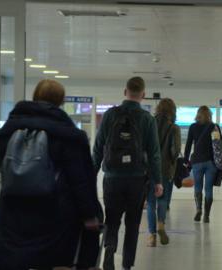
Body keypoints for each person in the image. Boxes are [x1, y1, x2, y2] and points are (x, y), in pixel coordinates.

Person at [0, 79, 103, 270]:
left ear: (35, 97)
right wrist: (90, 215)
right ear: (60, 102)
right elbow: (80, 182)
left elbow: (4, 169)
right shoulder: (70, 136)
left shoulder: (8, 132)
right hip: (55, 217)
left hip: (12, 214)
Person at [92, 77, 163, 270]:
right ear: (143, 95)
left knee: (112, 219)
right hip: (136, 179)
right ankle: (127, 264)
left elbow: (98, 148)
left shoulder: (109, 115)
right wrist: (158, 181)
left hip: (112, 178)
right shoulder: (147, 119)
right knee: (133, 224)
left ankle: (109, 248)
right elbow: (155, 154)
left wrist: (91, 175)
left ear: (125, 92)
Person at [146, 98, 181, 247]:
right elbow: (175, 151)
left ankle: (152, 236)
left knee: (150, 203)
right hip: (166, 170)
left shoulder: (149, 123)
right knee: (162, 200)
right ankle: (161, 223)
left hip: (149, 170)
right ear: (173, 111)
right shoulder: (174, 128)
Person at [184, 106, 220, 223]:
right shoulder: (214, 127)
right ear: (209, 114)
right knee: (208, 189)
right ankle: (207, 216)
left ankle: (199, 209)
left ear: (198, 114)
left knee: (198, 187)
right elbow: (218, 146)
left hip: (197, 162)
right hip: (211, 163)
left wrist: (186, 159)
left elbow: (188, 145)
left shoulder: (193, 127)